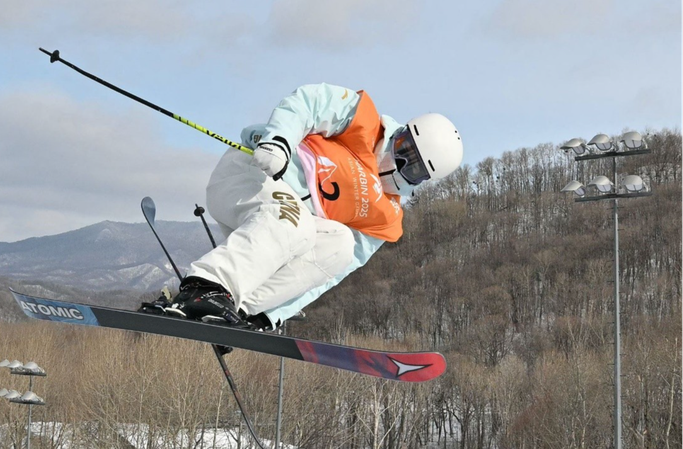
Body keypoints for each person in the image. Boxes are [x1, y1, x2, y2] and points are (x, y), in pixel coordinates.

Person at [140, 83, 463, 330]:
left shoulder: (385, 219)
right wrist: (279, 140)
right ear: (401, 132)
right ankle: (204, 287)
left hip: (277, 234)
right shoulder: (362, 119)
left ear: (422, 181)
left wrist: (272, 314)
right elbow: (307, 103)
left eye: (413, 167)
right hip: (251, 177)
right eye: (402, 147)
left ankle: (237, 307)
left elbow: (328, 274)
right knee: (296, 221)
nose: (397, 161)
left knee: (339, 246)